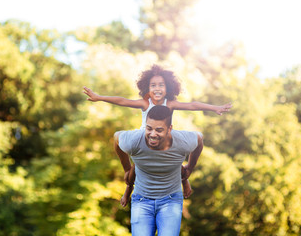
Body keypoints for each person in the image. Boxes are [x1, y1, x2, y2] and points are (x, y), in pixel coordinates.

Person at [84, 64, 231, 206]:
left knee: (174, 159)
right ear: (147, 88)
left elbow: (192, 105)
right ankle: (128, 188)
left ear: (168, 88)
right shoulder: (145, 103)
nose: (157, 88)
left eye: (161, 85)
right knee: (134, 170)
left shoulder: (170, 103)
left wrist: (214, 108)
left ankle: (184, 180)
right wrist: (100, 97)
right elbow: (122, 101)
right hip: (145, 136)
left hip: (164, 136)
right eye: (153, 85)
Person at [114, 105, 203, 235]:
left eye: (159, 130)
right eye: (149, 128)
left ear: (169, 129)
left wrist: (189, 168)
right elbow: (116, 138)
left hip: (171, 200)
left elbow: (199, 139)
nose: (153, 134)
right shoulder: (133, 141)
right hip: (141, 200)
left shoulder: (183, 141)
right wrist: (127, 169)